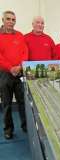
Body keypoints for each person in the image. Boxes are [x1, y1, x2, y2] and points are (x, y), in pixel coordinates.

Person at [0, 11, 28, 139]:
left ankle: (25, 125)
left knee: (23, 102)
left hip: (19, 73)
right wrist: (10, 68)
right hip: (5, 74)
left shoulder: (20, 35)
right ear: (3, 20)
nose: (11, 21)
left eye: (13, 19)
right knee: (7, 103)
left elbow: (25, 52)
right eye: (8, 19)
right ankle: (8, 129)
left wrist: (20, 66)